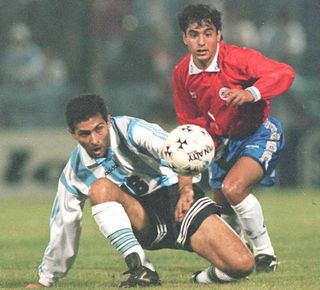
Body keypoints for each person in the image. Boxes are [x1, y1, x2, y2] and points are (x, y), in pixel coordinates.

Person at [26, 94, 254, 288]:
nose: (94, 139)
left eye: (99, 129)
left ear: (108, 120)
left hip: (176, 200)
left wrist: (186, 189)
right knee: (100, 189)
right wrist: (46, 280)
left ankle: (203, 277)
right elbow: (64, 226)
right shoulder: (74, 173)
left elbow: (177, 150)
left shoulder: (131, 130)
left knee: (242, 265)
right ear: (72, 133)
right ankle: (141, 267)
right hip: (143, 221)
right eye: (85, 134)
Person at [173, 4, 295, 276]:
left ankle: (265, 254)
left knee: (234, 188)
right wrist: (186, 182)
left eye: (207, 33)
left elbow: (284, 73)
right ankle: (235, 258)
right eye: (194, 34)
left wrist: (251, 93)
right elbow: (191, 127)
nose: (201, 42)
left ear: (219, 34)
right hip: (222, 143)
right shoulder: (182, 74)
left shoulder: (239, 59)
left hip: (259, 132)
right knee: (223, 205)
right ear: (184, 38)